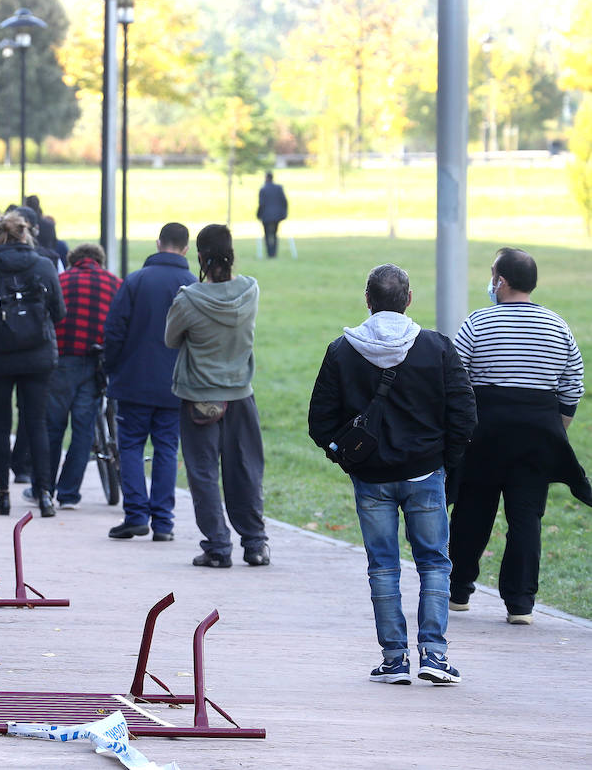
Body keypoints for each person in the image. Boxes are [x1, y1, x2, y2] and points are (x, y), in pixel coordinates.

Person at [308, 264, 476, 684]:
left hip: (372, 478)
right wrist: (445, 460)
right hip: (425, 473)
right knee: (435, 562)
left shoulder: (342, 350)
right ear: (409, 299)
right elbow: (464, 413)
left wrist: (346, 457)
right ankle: (434, 655)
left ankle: (394, 658)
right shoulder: (436, 347)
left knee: (383, 566)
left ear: (367, 300)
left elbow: (319, 422)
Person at [448, 248, 590, 625]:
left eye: (492, 274)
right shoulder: (557, 325)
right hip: (537, 434)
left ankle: (458, 592)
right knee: (526, 516)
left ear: (502, 282)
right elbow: (572, 383)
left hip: (486, 432)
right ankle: (521, 605)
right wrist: (555, 428)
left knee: (472, 510)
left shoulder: (478, 323)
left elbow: (457, 379)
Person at [165, 225, 269, 568]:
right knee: (245, 469)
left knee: (204, 473)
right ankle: (255, 544)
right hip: (240, 393)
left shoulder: (188, 298)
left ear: (199, 258)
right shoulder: (250, 291)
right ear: (232, 255)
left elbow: (170, 338)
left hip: (199, 397)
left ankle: (217, 546)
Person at [0, 211, 65, 518]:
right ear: (25, 235)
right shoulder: (44, 265)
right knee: (36, 423)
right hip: (37, 354)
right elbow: (59, 312)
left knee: (0, 424)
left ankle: (3, 494)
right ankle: (45, 493)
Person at [104, 223, 196, 540]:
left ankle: (135, 515)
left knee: (129, 446)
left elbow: (114, 330)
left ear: (158, 244)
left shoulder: (136, 280)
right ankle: (164, 523)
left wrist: (111, 368)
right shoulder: (191, 284)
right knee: (167, 449)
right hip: (175, 384)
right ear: (186, 248)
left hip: (133, 380)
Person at [40, 242, 121, 509]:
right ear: (99, 260)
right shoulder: (114, 284)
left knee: (53, 426)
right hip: (95, 362)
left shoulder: (60, 280)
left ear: (73, 260)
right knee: (84, 429)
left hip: (61, 360)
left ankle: (44, 488)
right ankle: (69, 492)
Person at [256, 171, 288, 259]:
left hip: (266, 216)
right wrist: (284, 213)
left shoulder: (263, 189)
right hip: (277, 216)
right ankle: (273, 253)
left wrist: (258, 215)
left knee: (267, 235)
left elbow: (261, 204)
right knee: (274, 234)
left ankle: (270, 253)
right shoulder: (279, 188)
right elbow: (284, 201)